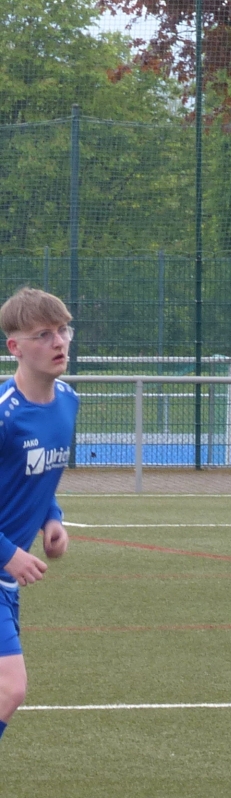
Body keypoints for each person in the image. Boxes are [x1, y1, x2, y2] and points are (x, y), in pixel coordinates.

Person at [0, 288, 77, 750]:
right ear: (15, 347)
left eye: (63, 330)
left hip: (5, 581)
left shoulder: (67, 400)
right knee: (10, 688)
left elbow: (41, 475)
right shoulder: (4, 415)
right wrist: (8, 553)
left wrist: (52, 517)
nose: (59, 341)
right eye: (43, 334)